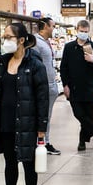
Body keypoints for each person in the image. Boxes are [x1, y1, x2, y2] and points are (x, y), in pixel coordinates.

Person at [0, 22, 49, 185]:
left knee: (28, 162)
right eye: (4, 37)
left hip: (27, 122)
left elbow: (42, 98)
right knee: (9, 161)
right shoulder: (3, 61)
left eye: (9, 37)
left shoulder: (35, 64)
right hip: (6, 121)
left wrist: (42, 127)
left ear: (21, 40)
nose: (5, 41)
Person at [60, 19, 93, 151]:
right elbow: (64, 68)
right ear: (77, 30)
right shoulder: (69, 47)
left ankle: (82, 142)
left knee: (87, 116)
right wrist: (65, 85)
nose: (83, 34)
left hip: (89, 88)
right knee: (79, 114)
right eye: (81, 31)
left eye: (86, 32)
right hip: (74, 88)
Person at [33, 17, 61, 155]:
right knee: (42, 116)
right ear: (45, 26)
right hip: (42, 86)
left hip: (50, 84)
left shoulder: (46, 42)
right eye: (53, 26)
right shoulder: (36, 43)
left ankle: (44, 141)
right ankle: (43, 142)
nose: (54, 29)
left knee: (47, 116)